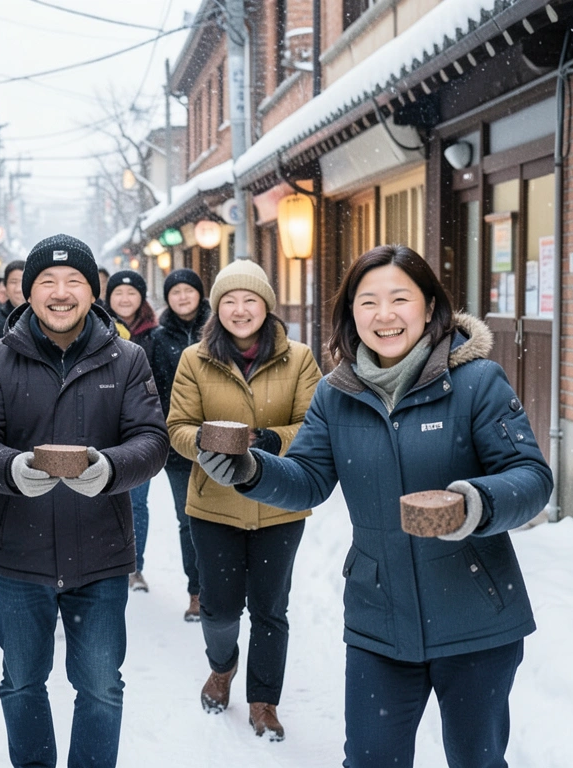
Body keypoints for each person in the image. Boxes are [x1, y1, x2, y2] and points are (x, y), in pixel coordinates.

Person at [197, 245, 553, 767]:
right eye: (368, 302)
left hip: (475, 615)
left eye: (400, 298)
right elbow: (308, 478)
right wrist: (251, 470)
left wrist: (475, 503)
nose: (384, 315)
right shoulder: (335, 394)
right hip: (378, 618)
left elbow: (531, 476)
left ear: (430, 307)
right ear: (351, 313)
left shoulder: (477, 383)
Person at [0, 234, 168, 768]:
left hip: (101, 552)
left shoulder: (127, 359)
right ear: (26, 292)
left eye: (74, 280)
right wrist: (10, 468)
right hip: (17, 553)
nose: (60, 292)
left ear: (93, 291)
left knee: (101, 685)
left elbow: (151, 438)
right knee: (22, 682)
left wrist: (111, 468)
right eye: (46, 281)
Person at [166, 259, 322, 741]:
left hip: (280, 503)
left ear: (266, 306)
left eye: (250, 300)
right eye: (229, 301)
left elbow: (314, 426)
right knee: (219, 608)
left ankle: (263, 701)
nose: (240, 309)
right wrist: (206, 441)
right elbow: (177, 427)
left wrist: (270, 441)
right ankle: (222, 666)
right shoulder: (195, 359)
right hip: (214, 504)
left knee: (271, 608)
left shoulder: (299, 358)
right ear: (216, 309)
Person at [146, 268, 211, 621]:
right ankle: (197, 592)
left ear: (200, 294)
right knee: (188, 520)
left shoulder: (219, 329)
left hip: (221, 438)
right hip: (178, 443)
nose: (183, 297)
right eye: (176, 292)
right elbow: (150, 389)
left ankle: (225, 588)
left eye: (189, 290)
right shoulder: (157, 339)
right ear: (167, 298)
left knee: (225, 518)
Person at [104, 269, 158, 594]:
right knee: (99, 499)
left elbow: (162, 383)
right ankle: (104, 563)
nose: (125, 299)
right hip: (102, 428)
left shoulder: (154, 334)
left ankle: (134, 567)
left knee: (137, 502)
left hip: (140, 431)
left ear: (142, 297)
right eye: (118, 293)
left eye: (132, 293)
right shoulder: (96, 329)